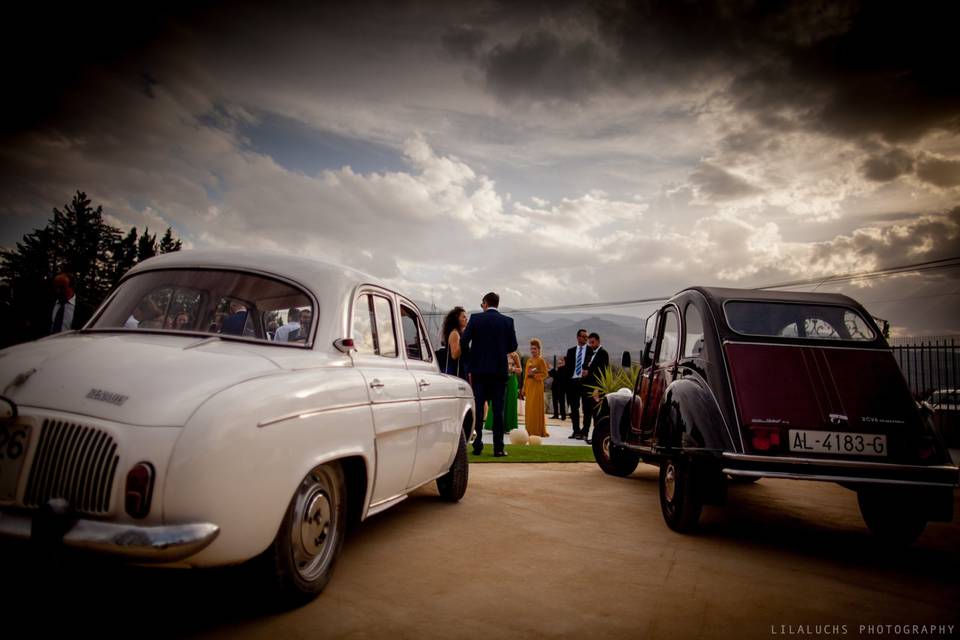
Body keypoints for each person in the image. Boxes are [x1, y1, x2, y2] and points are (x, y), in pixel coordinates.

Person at [460, 291, 518, 457]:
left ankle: (477, 445)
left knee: (478, 409)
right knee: (498, 411)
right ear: (497, 304)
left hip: (478, 371)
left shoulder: (476, 319)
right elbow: (512, 346)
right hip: (499, 372)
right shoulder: (507, 321)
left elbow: (464, 342)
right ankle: (498, 448)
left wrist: (471, 359)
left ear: (485, 303)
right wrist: (499, 351)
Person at [563, 329, 592, 439]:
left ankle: (585, 432)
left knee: (586, 408)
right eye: (583, 336)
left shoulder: (591, 351)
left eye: (587, 337)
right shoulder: (571, 351)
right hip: (573, 382)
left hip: (585, 382)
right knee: (574, 408)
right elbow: (567, 369)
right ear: (578, 337)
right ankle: (576, 431)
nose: (585, 338)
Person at [581, 332, 609, 443]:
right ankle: (585, 433)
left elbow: (602, 371)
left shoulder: (603, 354)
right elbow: (585, 366)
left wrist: (597, 388)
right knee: (586, 411)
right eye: (590, 343)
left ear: (598, 341)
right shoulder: (589, 353)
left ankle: (597, 438)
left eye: (593, 342)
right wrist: (585, 371)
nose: (591, 345)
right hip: (586, 387)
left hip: (596, 388)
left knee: (597, 414)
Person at [485, 351, 521, 433]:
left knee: (510, 402)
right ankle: (494, 425)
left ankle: (508, 426)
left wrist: (513, 369)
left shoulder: (515, 355)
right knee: (497, 401)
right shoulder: (499, 352)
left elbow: (520, 370)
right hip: (500, 379)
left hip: (511, 380)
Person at [520, 339, 549, 437]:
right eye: (531, 348)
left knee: (535, 408)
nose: (533, 350)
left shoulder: (541, 360)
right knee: (529, 409)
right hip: (529, 386)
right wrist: (523, 387)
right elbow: (526, 375)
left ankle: (536, 430)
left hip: (537, 386)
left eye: (535, 349)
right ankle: (529, 429)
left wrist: (535, 375)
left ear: (539, 349)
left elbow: (545, 374)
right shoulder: (529, 360)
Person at [439, 306, 469, 381]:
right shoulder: (455, 333)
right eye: (463, 317)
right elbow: (454, 355)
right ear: (456, 319)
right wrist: (464, 340)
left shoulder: (459, 333)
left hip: (460, 371)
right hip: (456, 372)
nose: (466, 319)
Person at [548, 356, 567, 420]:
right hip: (555, 387)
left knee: (561, 401)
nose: (560, 361)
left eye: (562, 360)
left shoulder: (564, 368)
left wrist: (552, 369)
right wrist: (551, 370)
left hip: (561, 387)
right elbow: (551, 374)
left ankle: (563, 415)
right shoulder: (558, 368)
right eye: (559, 360)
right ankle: (556, 415)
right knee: (554, 401)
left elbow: (557, 375)